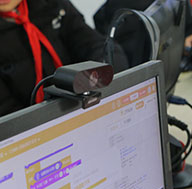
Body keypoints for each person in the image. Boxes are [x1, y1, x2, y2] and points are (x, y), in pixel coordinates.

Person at [0, 0, 128, 117]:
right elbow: (8, 113)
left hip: (81, 106)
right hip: (36, 126)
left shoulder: (53, 5)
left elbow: (97, 46)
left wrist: (98, 80)